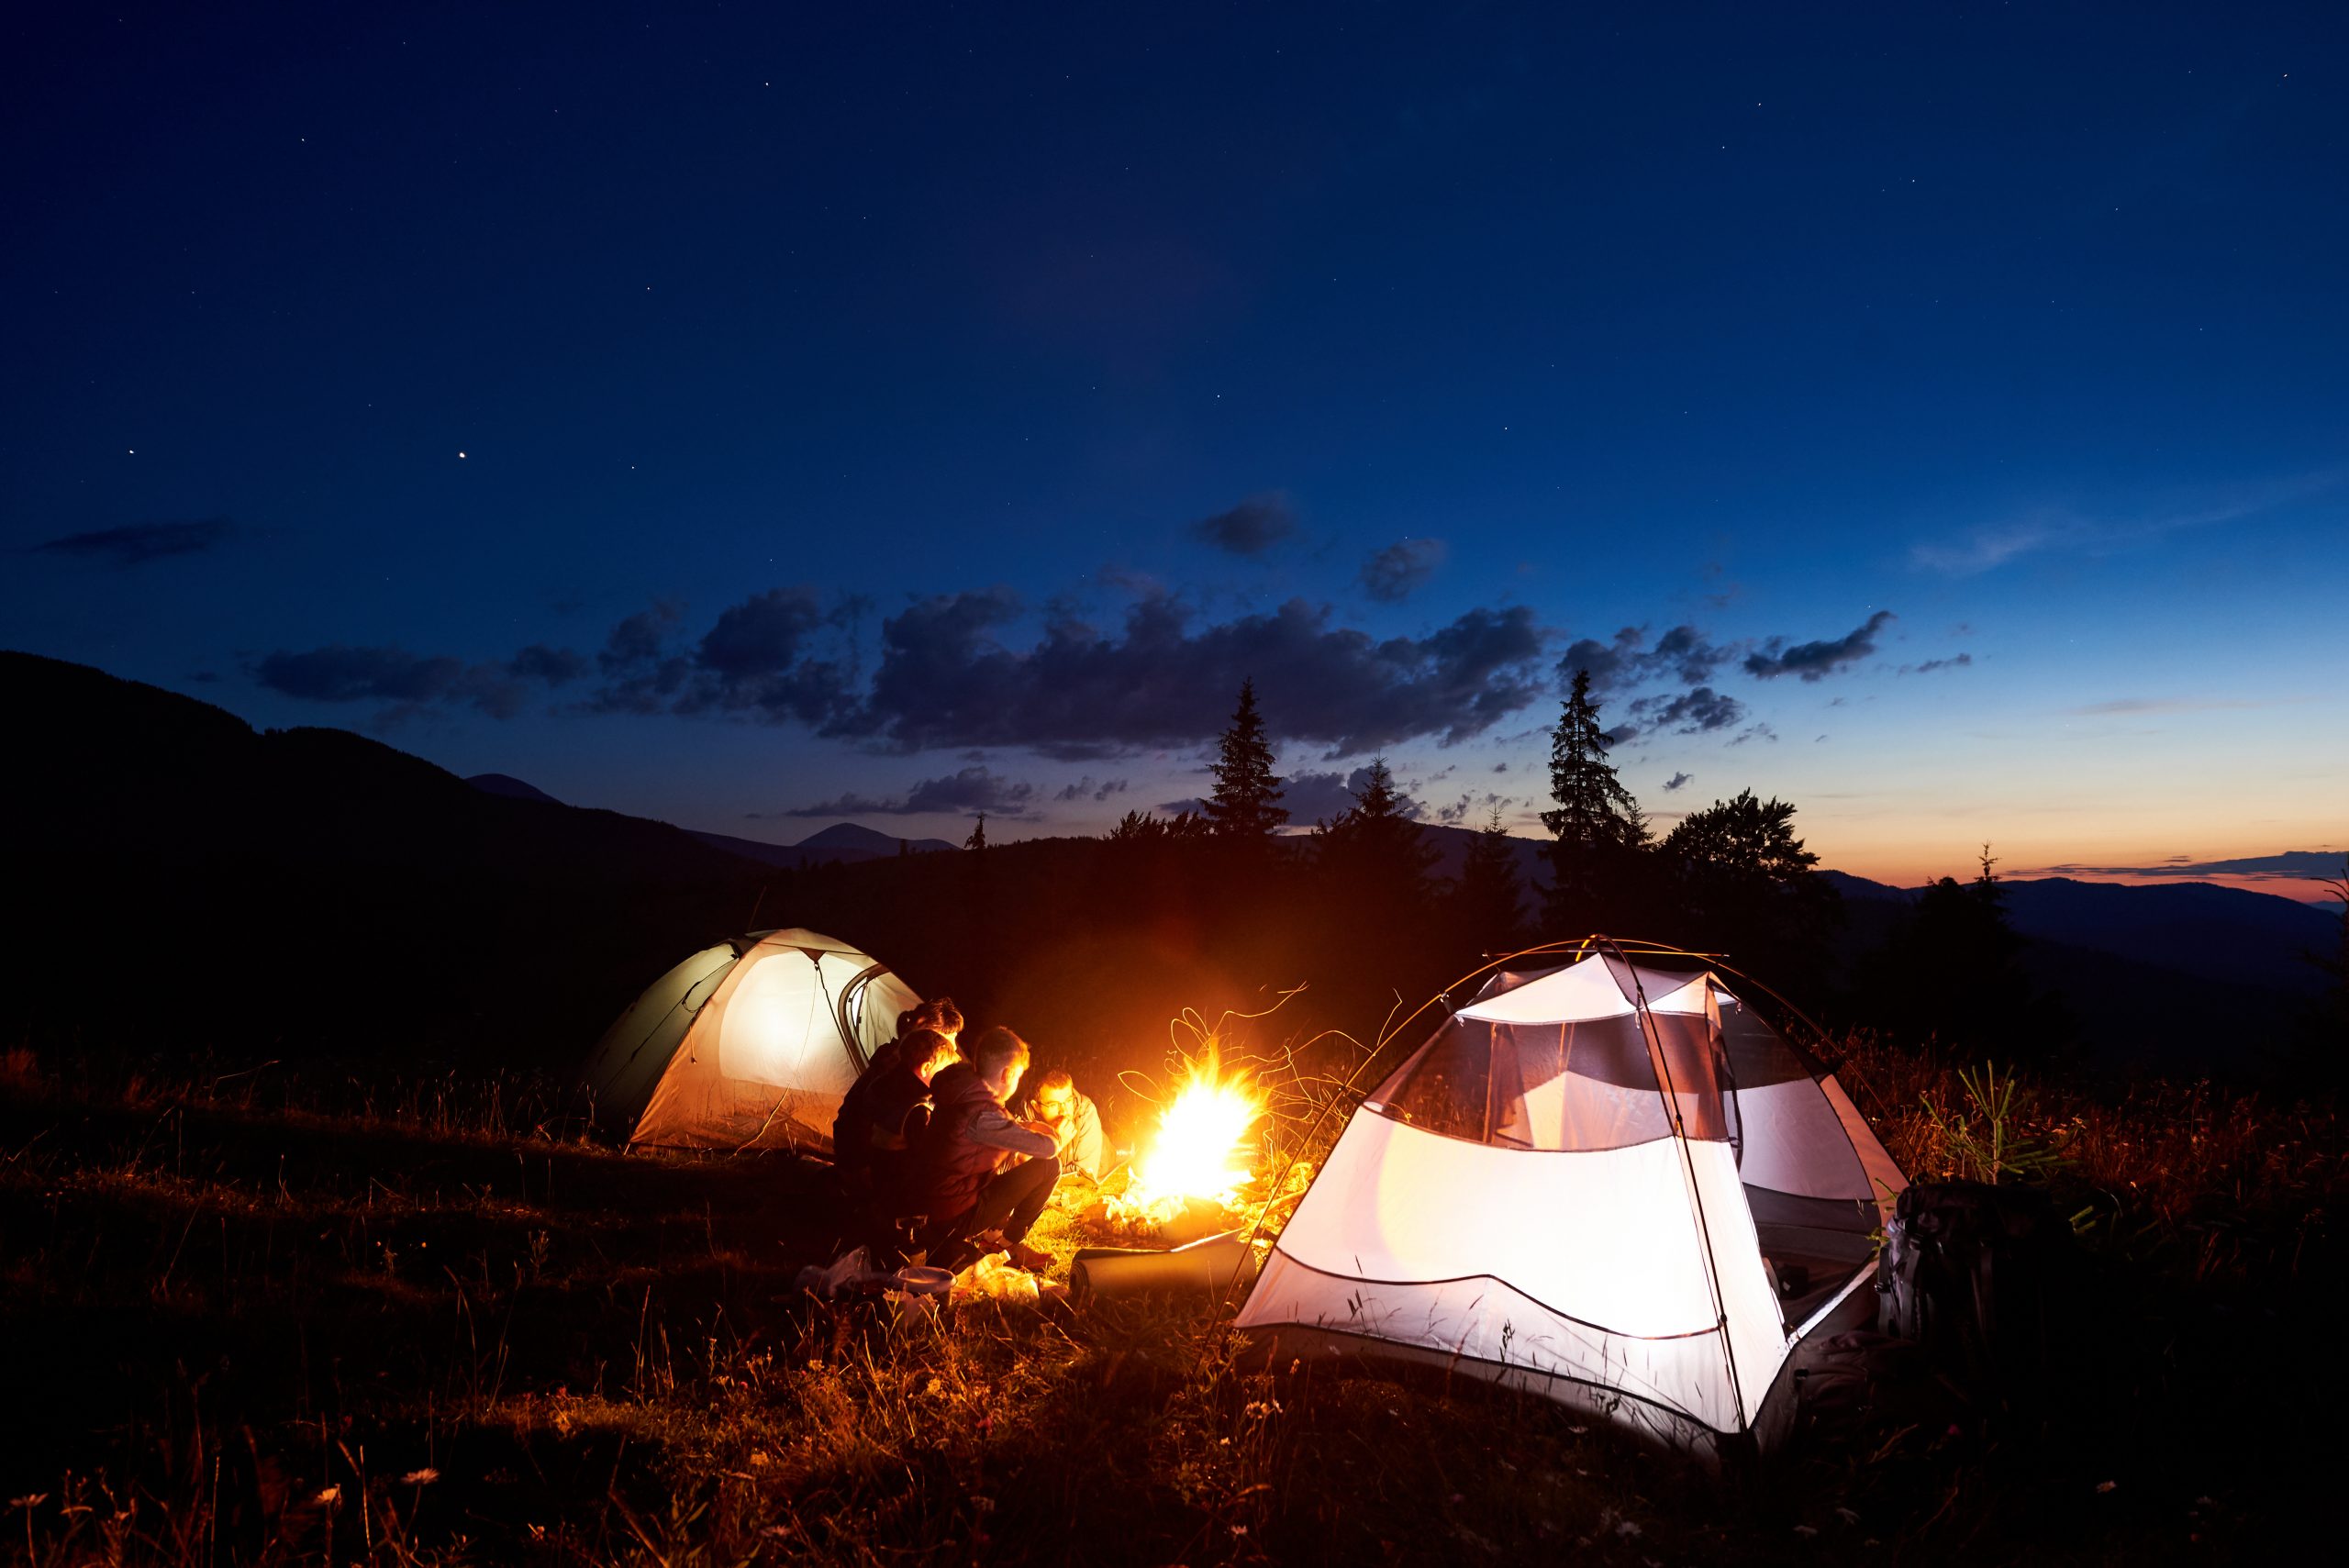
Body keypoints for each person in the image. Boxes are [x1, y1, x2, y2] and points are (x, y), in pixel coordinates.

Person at [909, 1026, 1069, 1273]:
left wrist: (1025, 1125)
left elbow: (991, 1129)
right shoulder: (983, 1115)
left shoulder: (962, 1089)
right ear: (1007, 1074)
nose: (1017, 1083)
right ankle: (1007, 1244)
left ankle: (994, 1234)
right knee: (1050, 1166)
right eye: (1018, 1077)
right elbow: (1047, 1148)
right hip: (954, 1215)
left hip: (936, 1200)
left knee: (1010, 1156)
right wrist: (1058, 1136)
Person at [832, 1027, 961, 1210]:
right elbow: (925, 1155)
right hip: (891, 1184)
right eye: (941, 1072)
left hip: (867, 1168)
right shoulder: (917, 1108)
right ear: (926, 1067)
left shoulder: (879, 1084)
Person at [1024, 1068, 1107, 1183]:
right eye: (1053, 1105)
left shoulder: (1085, 1113)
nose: (1064, 1111)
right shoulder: (1023, 1122)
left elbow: (1085, 1175)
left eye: (1068, 1101)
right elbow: (1025, 1177)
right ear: (1036, 1106)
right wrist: (1057, 1143)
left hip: (1104, 1160)